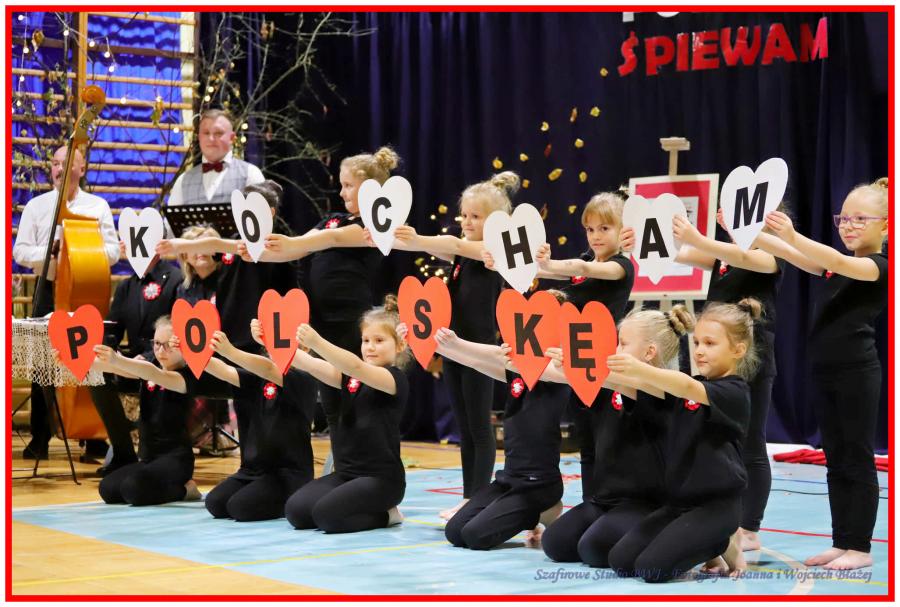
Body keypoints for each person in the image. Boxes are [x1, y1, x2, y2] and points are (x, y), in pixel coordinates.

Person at [756, 178, 888, 571]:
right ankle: (841, 540)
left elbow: (836, 261)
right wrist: (746, 231)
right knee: (835, 458)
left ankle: (860, 547)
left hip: (856, 372)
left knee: (856, 457)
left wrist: (792, 233)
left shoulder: (877, 266)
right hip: (824, 371)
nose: (848, 226)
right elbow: (792, 253)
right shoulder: (835, 265)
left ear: (886, 225)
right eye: (843, 218)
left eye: (860, 219)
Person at [389, 172, 520, 519]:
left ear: (496, 221)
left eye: (476, 216)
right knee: (465, 427)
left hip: (479, 351)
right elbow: (442, 248)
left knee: (479, 425)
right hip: (452, 346)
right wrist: (401, 239)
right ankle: (468, 495)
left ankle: (478, 497)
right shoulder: (463, 253)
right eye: (464, 215)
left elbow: (456, 245)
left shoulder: (492, 251)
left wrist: (419, 237)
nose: (467, 222)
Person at [605, 299, 760, 582]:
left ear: (738, 350)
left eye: (710, 344)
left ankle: (722, 541)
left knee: (651, 568)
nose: (699, 350)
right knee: (621, 561)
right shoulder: (687, 387)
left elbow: (686, 385)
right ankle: (708, 541)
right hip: (678, 504)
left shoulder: (734, 392)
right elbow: (631, 383)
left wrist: (639, 368)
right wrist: (577, 365)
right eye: (697, 342)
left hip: (716, 506)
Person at [541, 305, 694, 567]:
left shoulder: (664, 389)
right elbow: (561, 375)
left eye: (623, 344)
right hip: (606, 500)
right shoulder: (612, 383)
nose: (615, 350)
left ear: (649, 352)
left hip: (646, 503)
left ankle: (668, 529)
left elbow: (621, 382)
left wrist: (575, 365)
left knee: (593, 549)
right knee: (555, 542)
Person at [13, 145, 119, 460]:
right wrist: (51, 253)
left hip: (84, 290)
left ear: (81, 169)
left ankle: (93, 435)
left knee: (90, 361)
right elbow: (20, 251)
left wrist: (79, 252)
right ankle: (40, 437)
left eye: (68, 163)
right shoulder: (37, 206)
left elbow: (113, 251)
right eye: (56, 163)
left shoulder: (98, 206)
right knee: (42, 363)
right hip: (48, 289)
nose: (60, 169)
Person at [532, 191, 634, 502]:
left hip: (604, 363)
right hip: (577, 361)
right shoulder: (587, 261)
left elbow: (582, 269)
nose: (596, 236)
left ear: (622, 230)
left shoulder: (621, 266)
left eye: (604, 228)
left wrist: (551, 263)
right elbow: (549, 270)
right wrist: (518, 264)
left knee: (605, 441)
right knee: (586, 440)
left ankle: (610, 502)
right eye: (590, 229)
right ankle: (592, 503)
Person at [431, 319, 569, 551]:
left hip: (538, 485)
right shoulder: (517, 372)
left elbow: (501, 357)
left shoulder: (559, 373)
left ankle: (545, 511)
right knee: (455, 532)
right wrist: (430, 344)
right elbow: (475, 361)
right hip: (509, 479)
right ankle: (531, 514)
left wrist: (458, 342)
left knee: (475, 535)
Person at [284, 296, 408, 533]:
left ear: (399, 346)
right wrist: (271, 341)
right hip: (346, 475)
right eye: (365, 340)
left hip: (381, 480)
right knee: (296, 511)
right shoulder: (350, 379)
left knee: (326, 515)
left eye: (379, 340)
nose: (370, 347)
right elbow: (309, 364)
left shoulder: (393, 378)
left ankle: (388, 515)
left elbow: (356, 366)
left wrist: (317, 342)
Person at [186, 325, 317, 521]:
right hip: (252, 470)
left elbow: (269, 368)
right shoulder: (258, 377)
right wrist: (190, 351)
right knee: (216, 502)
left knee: (240, 507)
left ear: (304, 349)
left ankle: (292, 498)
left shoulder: (305, 379)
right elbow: (224, 370)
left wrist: (230, 351)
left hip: (287, 474)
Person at [84, 316, 217, 506]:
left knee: (133, 490)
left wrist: (118, 359)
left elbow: (152, 373)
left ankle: (186, 490)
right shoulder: (150, 366)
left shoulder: (186, 376)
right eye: (157, 344)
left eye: (168, 345)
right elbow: (113, 367)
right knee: (108, 489)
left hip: (175, 460)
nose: (161, 351)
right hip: (149, 459)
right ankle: (157, 484)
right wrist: (74, 361)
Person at [90, 245, 181, 475]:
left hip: (166, 361)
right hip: (132, 362)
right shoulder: (126, 286)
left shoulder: (176, 279)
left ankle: (158, 453)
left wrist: (150, 357)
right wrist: (108, 355)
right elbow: (112, 329)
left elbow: (176, 328)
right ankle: (123, 451)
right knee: (96, 375)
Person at [166, 109, 264, 207]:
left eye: (218, 133)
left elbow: (262, 215)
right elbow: (171, 216)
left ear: (232, 138)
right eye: (206, 133)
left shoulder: (251, 174)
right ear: (199, 137)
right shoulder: (183, 181)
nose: (211, 139)